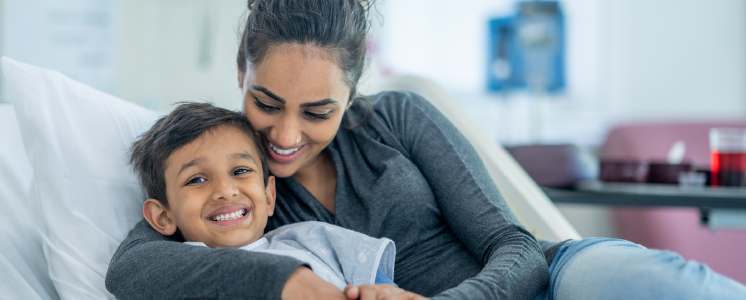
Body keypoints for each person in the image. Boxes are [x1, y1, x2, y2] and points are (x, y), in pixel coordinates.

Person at [106, 0, 746, 299]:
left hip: (548, 281)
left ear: (353, 92)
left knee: (658, 286)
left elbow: (515, 246)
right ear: (239, 73)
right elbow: (132, 270)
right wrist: (294, 284)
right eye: (267, 102)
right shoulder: (234, 174)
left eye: (319, 111)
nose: (285, 136)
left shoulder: (397, 118)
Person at [129, 102, 398, 290]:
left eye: (241, 170)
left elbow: (386, 290)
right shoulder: (173, 277)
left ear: (269, 196)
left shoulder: (313, 240)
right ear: (163, 217)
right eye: (197, 179)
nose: (225, 190)